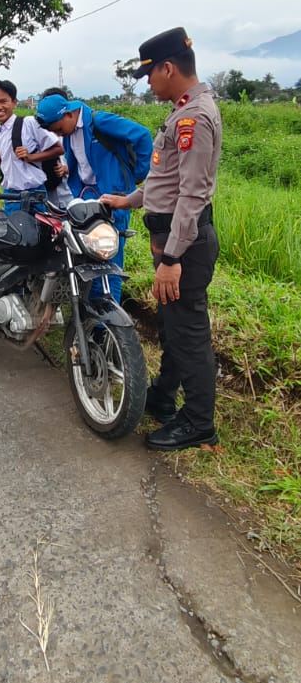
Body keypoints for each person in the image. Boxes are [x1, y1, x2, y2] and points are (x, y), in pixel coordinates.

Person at [102, 27, 222, 452]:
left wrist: (172, 258)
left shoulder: (193, 118)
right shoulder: (181, 111)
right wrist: (128, 199)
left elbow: (192, 195)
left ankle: (199, 423)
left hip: (182, 244)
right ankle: (163, 397)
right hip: (171, 240)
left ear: (168, 68)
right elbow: (164, 181)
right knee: (172, 325)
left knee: (188, 330)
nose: (148, 83)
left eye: (149, 74)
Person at [35, 91, 153, 300]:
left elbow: (142, 136)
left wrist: (138, 175)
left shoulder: (101, 122)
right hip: (87, 198)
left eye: (59, 129)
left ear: (69, 114)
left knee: (109, 260)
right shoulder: (71, 132)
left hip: (112, 199)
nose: (60, 134)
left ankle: (107, 314)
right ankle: (91, 310)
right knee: (89, 257)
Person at [0, 80, 63, 214]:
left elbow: (58, 148)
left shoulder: (29, 123)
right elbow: (10, 165)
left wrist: (31, 157)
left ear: (14, 102)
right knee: (13, 226)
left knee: (38, 227)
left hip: (34, 193)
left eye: (3, 101)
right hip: (10, 195)